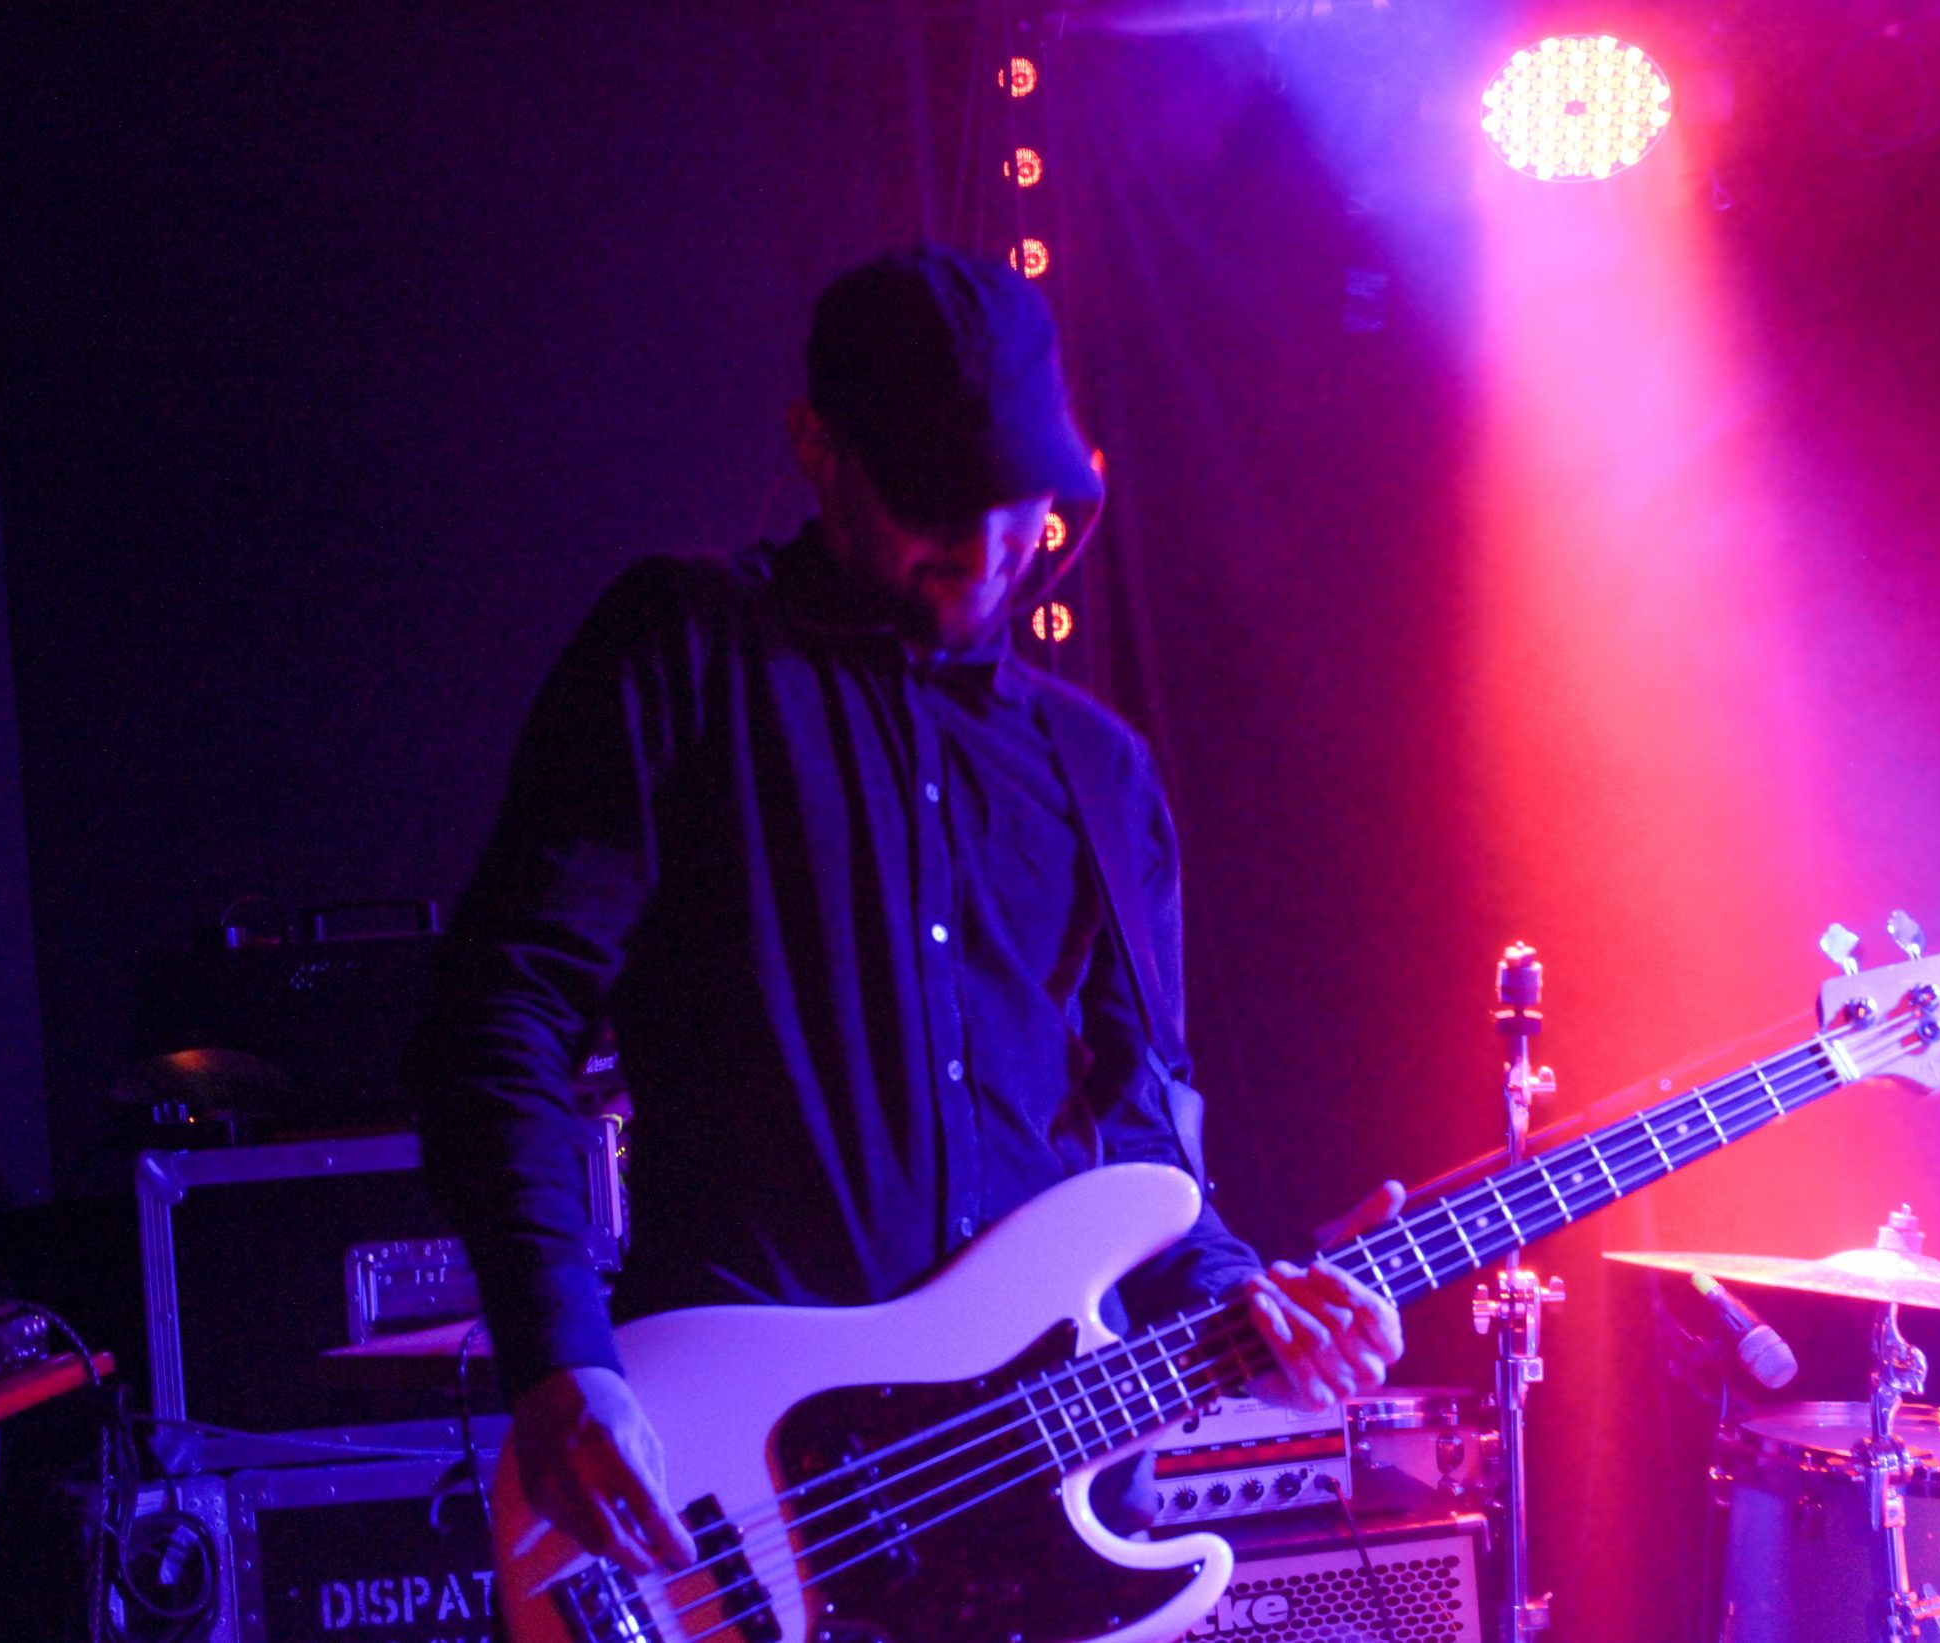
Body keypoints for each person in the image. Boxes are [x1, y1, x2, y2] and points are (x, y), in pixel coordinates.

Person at [413, 244, 1404, 1578]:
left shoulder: (1099, 772)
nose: (984, 550)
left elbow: (1136, 1134)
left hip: (1031, 1509)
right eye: (934, 500)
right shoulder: (685, 651)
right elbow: (501, 1014)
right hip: (744, 1490)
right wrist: (559, 1356)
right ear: (816, 449)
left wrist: (1248, 1304)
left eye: (1015, 502)